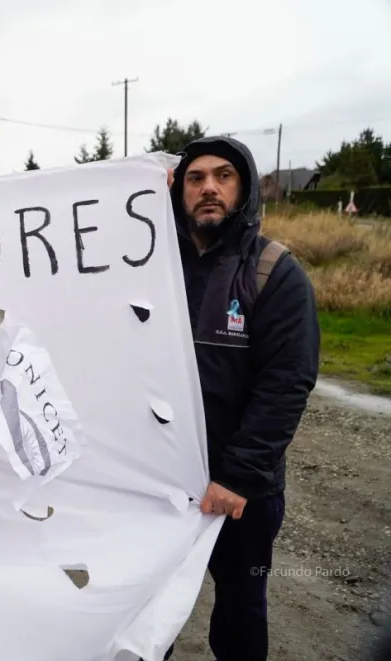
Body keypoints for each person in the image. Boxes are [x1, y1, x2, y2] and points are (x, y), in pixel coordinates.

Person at [154, 136, 320, 661]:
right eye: (195, 178)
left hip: (239, 493)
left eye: (223, 177)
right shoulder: (148, 266)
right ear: (177, 190)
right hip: (158, 484)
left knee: (241, 611)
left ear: (243, 188)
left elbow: (286, 384)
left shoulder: (274, 271)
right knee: (148, 609)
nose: (208, 188)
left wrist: (237, 477)